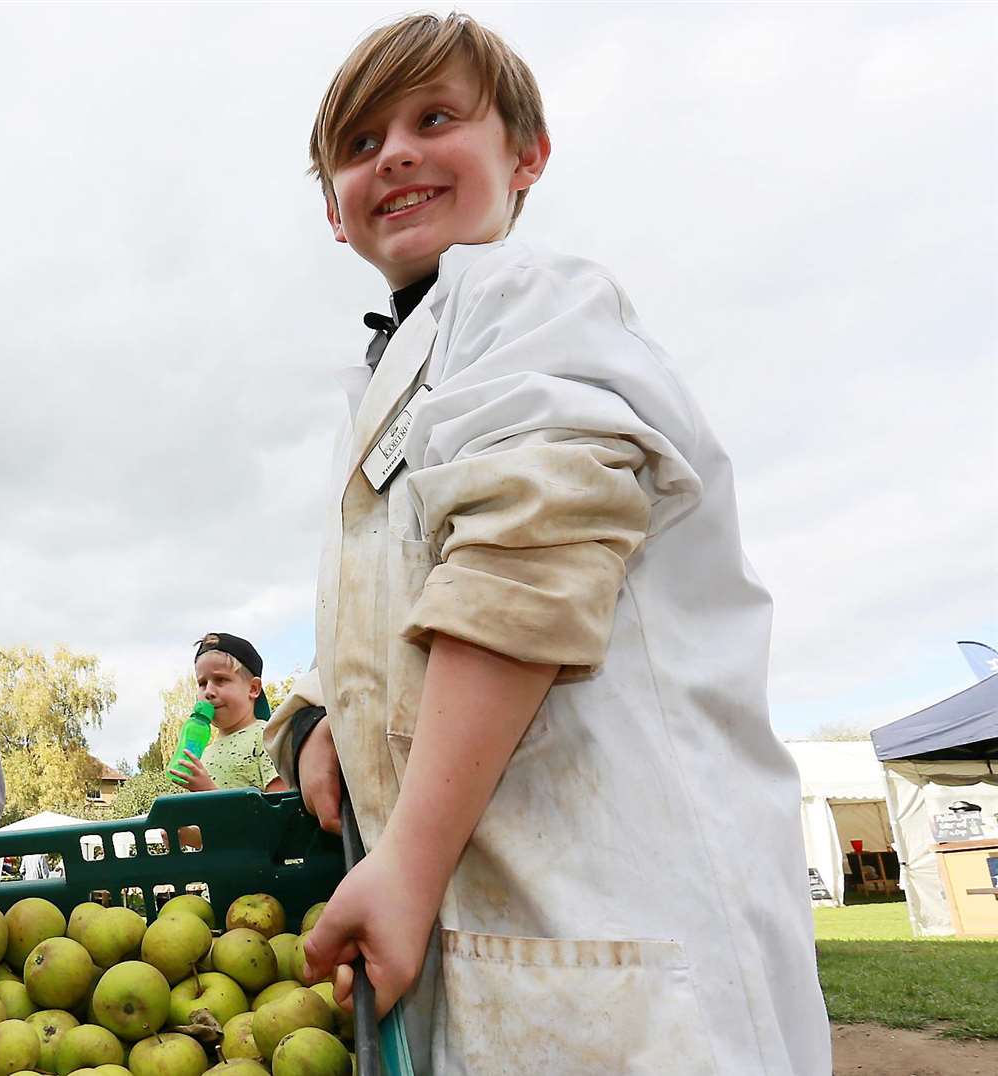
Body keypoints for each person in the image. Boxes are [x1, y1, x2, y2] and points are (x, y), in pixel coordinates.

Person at [266, 14, 828, 1073]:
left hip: (624, 954)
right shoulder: (402, 374)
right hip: (510, 965)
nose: (394, 152)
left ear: (526, 155)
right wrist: (315, 715)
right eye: (358, 143)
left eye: (434, 118)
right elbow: (400, 609)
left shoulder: (529, 297)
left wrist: (410, 861)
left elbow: (527, 562)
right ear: (335, 214)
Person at [168, 633, 285, 793]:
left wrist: (208, 792)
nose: (208, 692)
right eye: (202, 683)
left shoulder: (267, 737)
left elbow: (280, 810)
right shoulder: (205, 752)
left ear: (253, 688)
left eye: (220, 680)